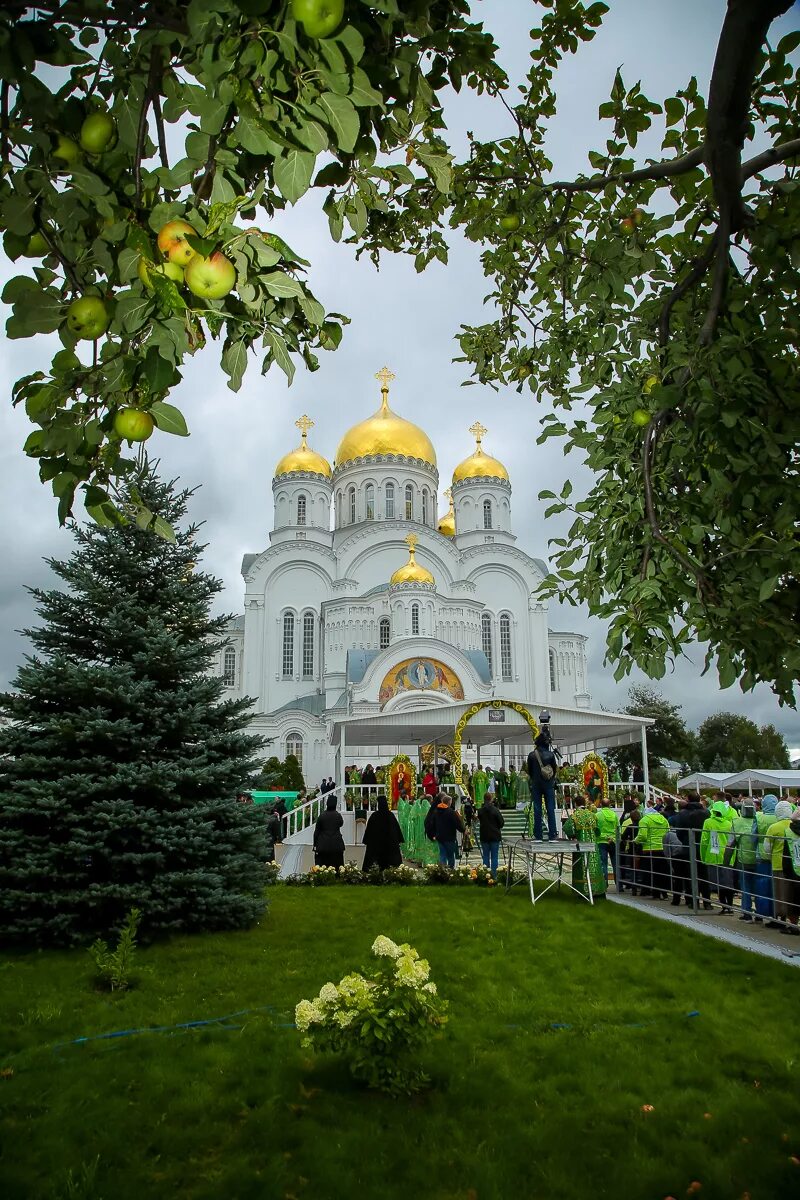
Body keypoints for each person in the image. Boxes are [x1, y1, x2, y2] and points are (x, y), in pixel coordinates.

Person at [673, 792, 711, 909]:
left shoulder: (683, 814)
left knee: (690, 875)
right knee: (704, 875)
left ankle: (692, 901)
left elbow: (679, 831)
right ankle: (707, 902)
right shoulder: (706, 812)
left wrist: (685, 841)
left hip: (688, 846)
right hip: (703, 847)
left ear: (688, 800)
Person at [761, 800, 796, 926]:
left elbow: (767, 848)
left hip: (777, 864)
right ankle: (792, 920)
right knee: (791, 894)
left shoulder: (774, 828)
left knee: (779, 893)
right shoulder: (794, 826)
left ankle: (780, 919)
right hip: (794, 866)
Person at [562, 802, 607, 898]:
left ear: (576, 806)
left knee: (581, 867)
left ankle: (582, 891)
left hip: (580, 846)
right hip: (592, 845)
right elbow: (598, 830)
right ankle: (598, 891)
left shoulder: (575, 816)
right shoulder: (592, 815)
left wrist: (572, 836)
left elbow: (567, 828)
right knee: (596, 868)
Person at [700, 800, 736, 913]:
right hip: (726, 856)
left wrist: (702, 856)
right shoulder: (729, 824)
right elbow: (732, 841)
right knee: (728, 883)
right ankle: (730, 906)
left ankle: (724, 906)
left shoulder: (708, 822)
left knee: (717, 883)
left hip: (712, 855)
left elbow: (704, 841)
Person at [731, 799, 759, 922]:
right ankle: (760, 914)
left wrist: (727, 863)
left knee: (745, 887)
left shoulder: (736, 822)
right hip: (758, 859)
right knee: (759, 888)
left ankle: (747, 913)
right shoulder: (758, 819)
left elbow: (730, 843)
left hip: (743, 859)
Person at [527, 734, 559, 841]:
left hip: (536, 784)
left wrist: (535, 778)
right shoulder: (550, 755)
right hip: (548, 784)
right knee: (550, 809)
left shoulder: (532, 755)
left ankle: (538, 835)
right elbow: (554, 769)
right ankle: (553, 834)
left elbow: (530, 771)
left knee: (537, 809)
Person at [635, 803, 670, 898]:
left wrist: (635, 841)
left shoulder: (644, 820)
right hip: (662, 848)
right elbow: (668, 832)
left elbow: (643, 835)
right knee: (660, 872)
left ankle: (647, 890)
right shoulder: (664, 820)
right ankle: (662, 892)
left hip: (648, 849)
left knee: (648, 871)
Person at [362, 796, 404, 872]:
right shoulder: (390, 816)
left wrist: (366, 840)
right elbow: (396, 830)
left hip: (376, 846)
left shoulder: (374, 816)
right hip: (389, 846)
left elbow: (369, 831)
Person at [754, 794, 778, 920]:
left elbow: (754, 835)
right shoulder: (779, 818)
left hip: (761, 854)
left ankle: (761, 913)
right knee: (776, 887)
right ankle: (776, 913)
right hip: (777, 856)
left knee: (762, 885)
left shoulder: (759, 817)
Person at [430, 790, 464, 869]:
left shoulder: (436, 811)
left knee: (442, 854)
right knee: (450, 854)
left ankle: (442, 870)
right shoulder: (451, 812)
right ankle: (450, 869)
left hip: (439, 836)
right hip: (449, 837)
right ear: (449, 802)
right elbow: (457, 823)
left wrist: (434, 834)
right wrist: (463, 830)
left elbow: (432, 823)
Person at [313, 794, 346, 871]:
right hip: (336, 844)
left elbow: (317, 831)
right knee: (337, 865)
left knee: (323, 866)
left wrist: (315, 844)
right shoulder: (338, 815)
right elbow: (341, 824)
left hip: (323, 843)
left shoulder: (322, 816)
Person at [477, 787, 504, 879]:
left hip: (484, 835)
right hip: (494, 835)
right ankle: (494, 875)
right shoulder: (495, 810)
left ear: (484, 799)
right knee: (494, 856)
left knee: (485, 855)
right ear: (491, 799)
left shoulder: (480, 811)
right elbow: (501, 822)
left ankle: (486, 874)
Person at [595, 796, 619, 888]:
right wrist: (613, 838)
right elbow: (618, 828)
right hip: (612, 841)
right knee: (615, 863)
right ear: (610, 805)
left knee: (603, 863)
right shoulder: (614, 815)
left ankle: (604, 884)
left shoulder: (598, 815)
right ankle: (618, 884)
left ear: (601, 804)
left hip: (601, 841)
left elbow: (596, 829)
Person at [618, 806, 641, 894]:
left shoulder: (630, 826)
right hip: (642, 847)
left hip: (632, 847)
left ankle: (633, 886)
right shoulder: (642, 825)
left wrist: (627, 840)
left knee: (632, 867)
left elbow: (623, 836)